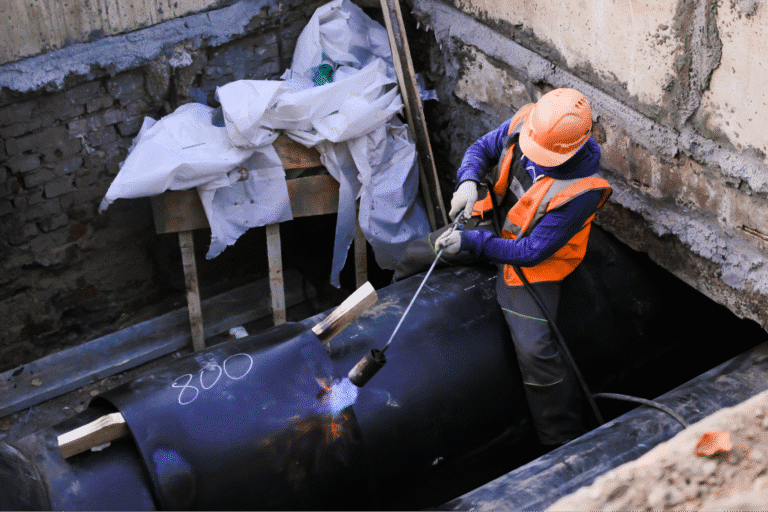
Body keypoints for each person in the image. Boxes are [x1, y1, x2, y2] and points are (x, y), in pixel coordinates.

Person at [393, 88, 612, 446]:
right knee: (417, 253)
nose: (531, 156)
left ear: (569, 150)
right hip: (492, 221)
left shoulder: (582, 192)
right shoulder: (528, 124)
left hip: (533, 267)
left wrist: (474, 244)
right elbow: (482, 149)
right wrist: (467, 181)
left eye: (542, 155)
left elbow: (530, 252)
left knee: (536, 350)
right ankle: (394, 306)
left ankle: (562, 438)